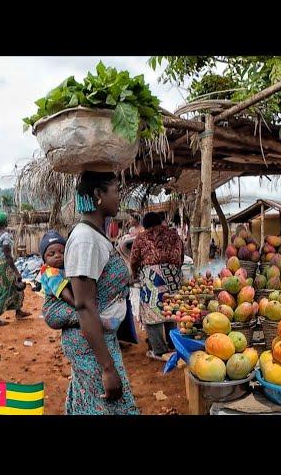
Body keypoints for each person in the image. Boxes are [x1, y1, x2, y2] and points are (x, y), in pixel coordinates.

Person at [62, 171, 139, 415]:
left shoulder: (96, 235)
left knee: (90, 405)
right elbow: (84, 305)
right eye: (116, 191)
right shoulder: (86, 240)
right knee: (110, 407)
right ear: (98, 195)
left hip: (99, 339)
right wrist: (107, 367)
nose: (120, 198)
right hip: (91, 343)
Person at [130, 212, 183, 361]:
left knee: (152, 313)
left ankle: (159, 350)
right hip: (172, 275)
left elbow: (134, 259)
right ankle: (174, 345)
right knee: (170, 311)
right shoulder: (174, 235)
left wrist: (135, 275)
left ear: (145, 224)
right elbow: (181, 257)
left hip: (152, 278)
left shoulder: (141, 237)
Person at [0, 211, 30, 327]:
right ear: (5, 221)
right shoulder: (5, 236)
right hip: (6, 266)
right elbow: (8, 256)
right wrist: (17, 272)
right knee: (4, 291)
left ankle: (18, 311)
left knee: (15, 288)